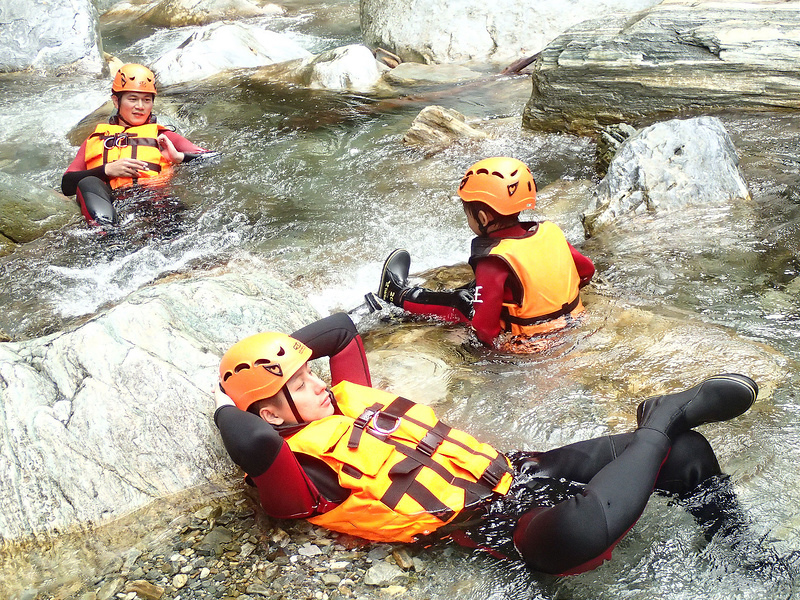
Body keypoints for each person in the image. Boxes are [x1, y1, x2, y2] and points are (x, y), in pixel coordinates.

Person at [214, 312, 758, 576]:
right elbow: (250, 435)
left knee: (689, 457)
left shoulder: (348, 399)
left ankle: (742, 549)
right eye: (303, 387)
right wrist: (236, 397)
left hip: (520, 472)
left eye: (314, 375)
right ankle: (660, 420)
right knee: (574, 534)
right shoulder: (296, 479)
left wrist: (281, 361)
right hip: (490, 527)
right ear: (270, 411)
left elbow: (341, 330)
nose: (323, 384)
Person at [376, 157, 596, 351]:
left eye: (468, 215)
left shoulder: (493, 260)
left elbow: (484, 327)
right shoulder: (550, 232)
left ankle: (396, 294)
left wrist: (486, 344)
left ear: (483, 218)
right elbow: (587, 271)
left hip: (528, 342)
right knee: (480, 288)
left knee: (459, 301)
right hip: (572, 323)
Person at [61, 63, 209, 227]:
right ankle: (107, 237)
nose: (140, 106)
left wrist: (178, 157)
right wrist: (107, 170)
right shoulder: (95, 139)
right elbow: (67, 185)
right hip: (113, 205)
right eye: (133, 99)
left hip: (154, 201)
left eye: (146, 100)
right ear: (116, 101)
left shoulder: (162, 136)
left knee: (169, 207)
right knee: (88, 182)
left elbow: (213, 157)